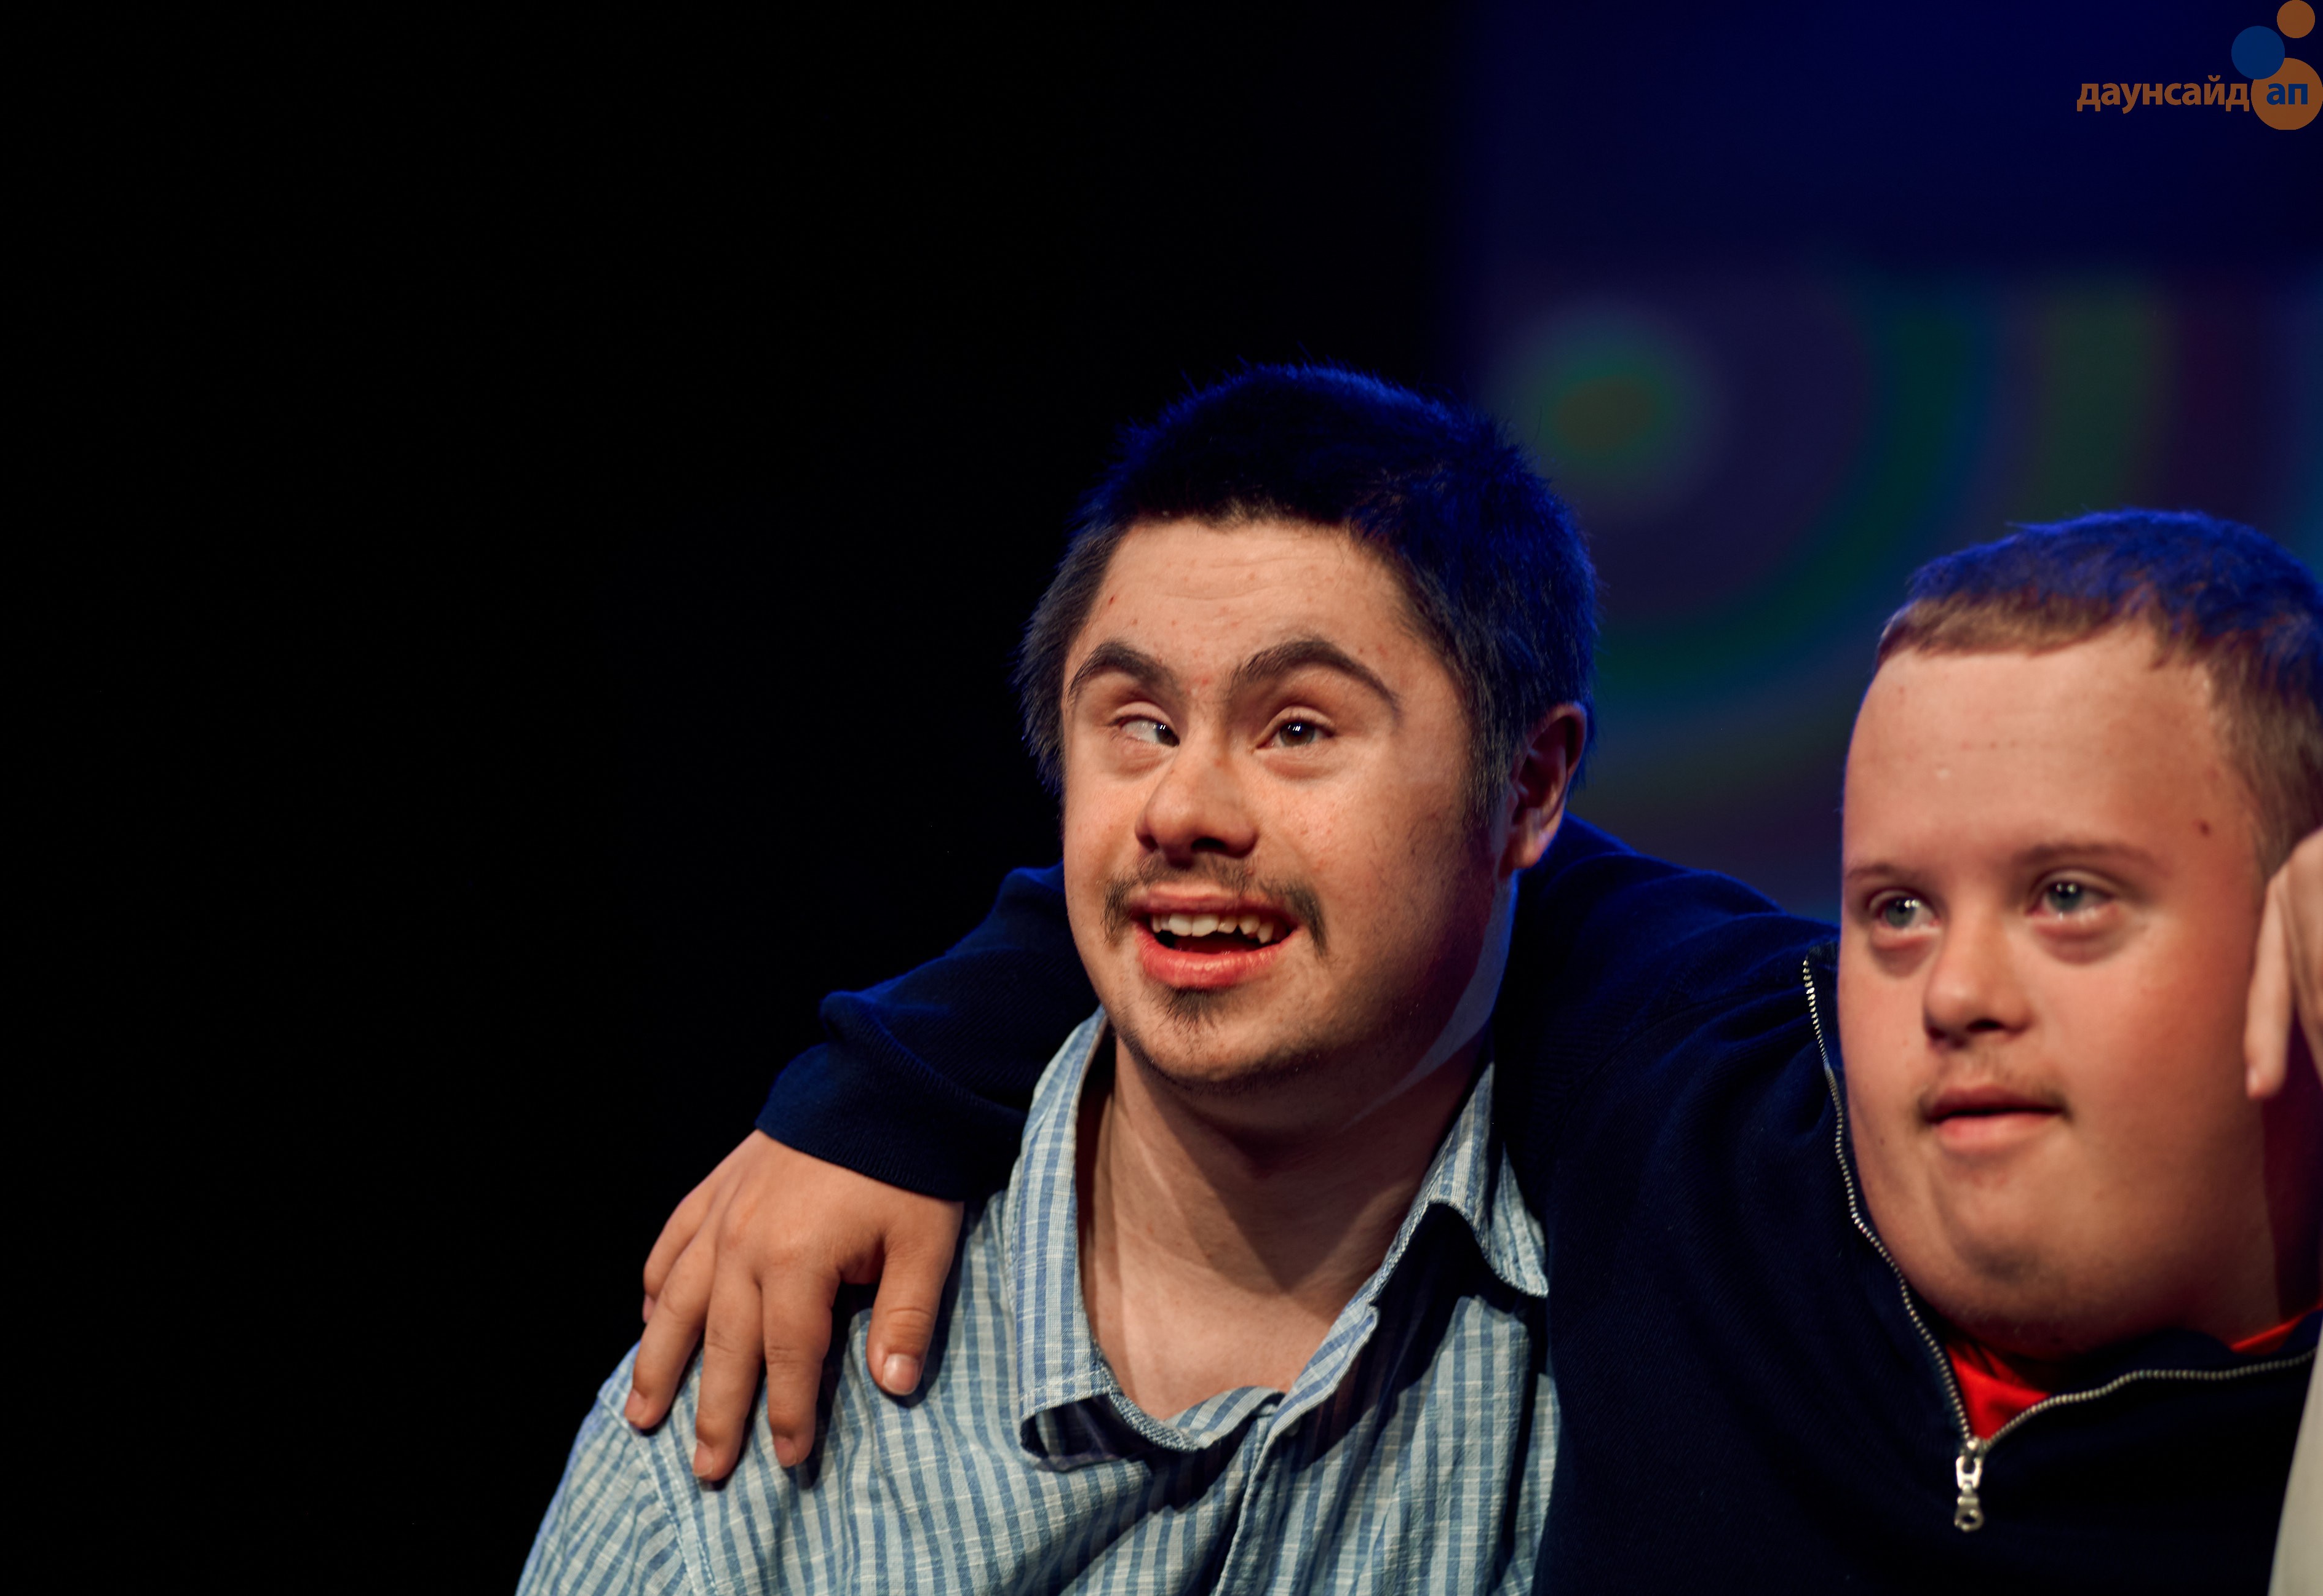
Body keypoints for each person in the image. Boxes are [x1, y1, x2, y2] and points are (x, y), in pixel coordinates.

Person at [625, 505, 2323, 1592]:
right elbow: (1348, 872)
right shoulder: (1710, 1088)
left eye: (2071, 897)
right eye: (1891, 907)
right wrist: (890, 1080)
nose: (1955, 989)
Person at [523, 367, 1600, 1591]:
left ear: (1529, 786)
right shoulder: (752, 1428)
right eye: (1139, 723)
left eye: (1298, 728)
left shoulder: (1669, 1344)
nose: (1181, 809)